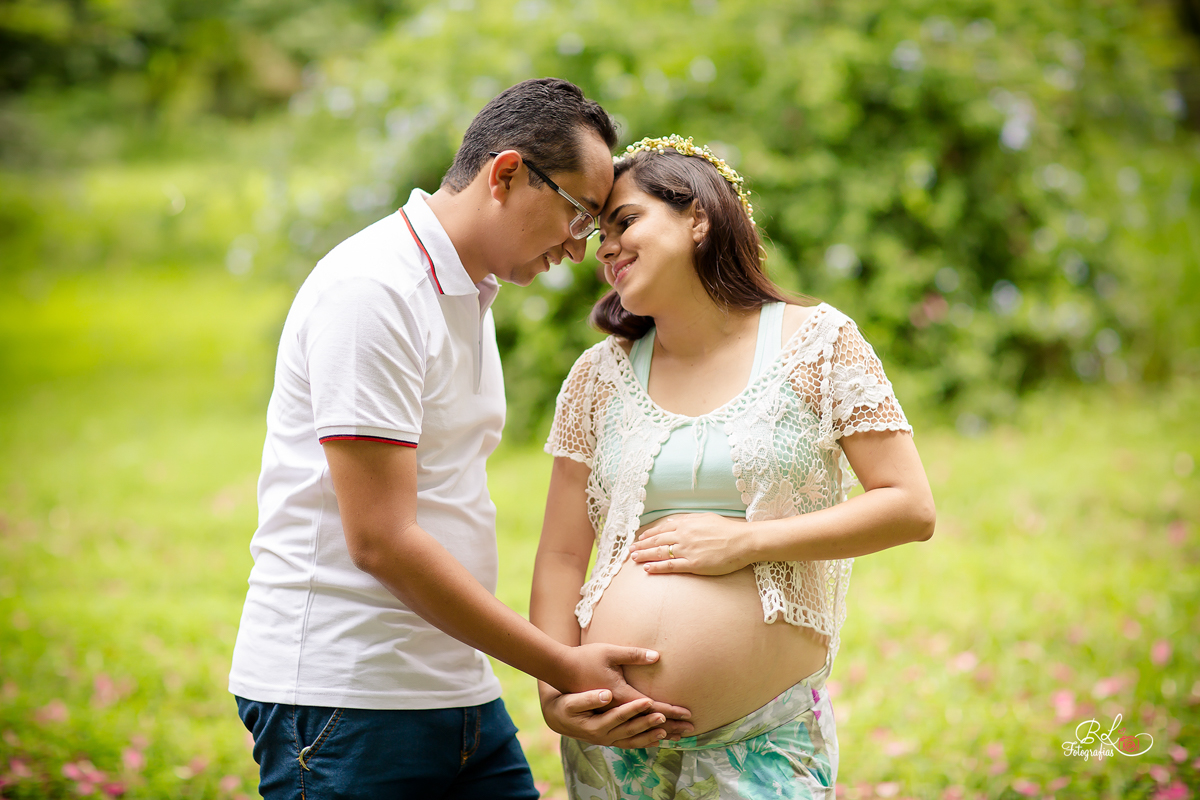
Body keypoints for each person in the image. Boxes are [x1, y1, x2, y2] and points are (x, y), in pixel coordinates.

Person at [227, 81, 691, 800]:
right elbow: (379, 539)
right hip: (346, 698)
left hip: (452, 687)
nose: (579, 249)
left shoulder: (468, 291)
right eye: (576, 214)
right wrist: (564, 665)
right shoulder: (374, 291)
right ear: (505, 174)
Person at [530, 135, 937, 800]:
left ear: (698, 216)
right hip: (612, 749)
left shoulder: (819, 344)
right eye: (598, 234)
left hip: (762, 744)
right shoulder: (595, 378)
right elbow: (559, 558)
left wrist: (744, 542)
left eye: (625, 221)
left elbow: (909, 505)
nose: (605, 248)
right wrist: (555, 688)